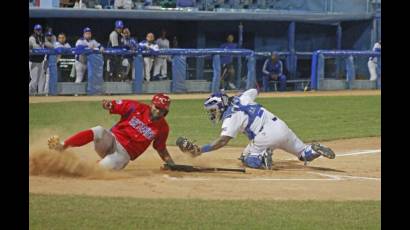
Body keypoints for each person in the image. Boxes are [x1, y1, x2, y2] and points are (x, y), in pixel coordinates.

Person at [176, 89, 335, 170]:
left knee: (246, 159)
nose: (213, 113)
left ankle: (262, 158)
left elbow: (222, 141)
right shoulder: (243, 97)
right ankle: (313, 149)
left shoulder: (231, 117)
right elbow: (254, 89)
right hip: (281, 127)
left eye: (213, 110)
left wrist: (200, 150)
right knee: (303, 154)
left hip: (265, 136)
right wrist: (239, 95)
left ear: (220, 106)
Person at [48, 93, 175, 170]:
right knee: (98, 130)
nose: (159, 111)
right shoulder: (136, 107)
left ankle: (69, 168)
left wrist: (170, 163)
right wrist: (109, 105)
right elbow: (115, 105)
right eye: (157, 107)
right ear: (152, 104)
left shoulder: (163, 128)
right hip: (111, 140)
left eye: (163, 110)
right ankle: (62, 146)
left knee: (98, 169)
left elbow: (160, 148)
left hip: (124, 155)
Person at [29, 24, 46, 95]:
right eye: (37, 30)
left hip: (40, 61)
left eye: (40, 29)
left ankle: (35, 93)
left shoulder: (42, 37)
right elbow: (35, 46)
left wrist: (52, 47)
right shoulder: (32, 38)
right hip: (33, 61)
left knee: (40, 79)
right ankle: (30, 93)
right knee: (34, 79)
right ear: (34, 30)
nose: (39, 31)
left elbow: (45, 43)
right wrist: (43, 48)